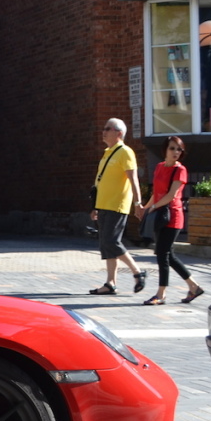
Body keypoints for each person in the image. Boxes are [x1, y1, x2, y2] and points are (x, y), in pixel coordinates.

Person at [135, 136, 203, 304]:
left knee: (162, 254)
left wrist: (152, 207)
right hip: (159, 215)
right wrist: (145, 207)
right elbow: (156, 193)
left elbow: (171, 196)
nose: (176, 152)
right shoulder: (159, 167)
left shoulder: (180, 170)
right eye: (172, 148)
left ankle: (161, 294)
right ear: (165, 150)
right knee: (169, 256)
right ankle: (194, 287)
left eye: (179, 149)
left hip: (172, 217)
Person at [90, 118, 147, 295]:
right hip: (103, 204)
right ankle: (110, 283)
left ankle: (138, 272)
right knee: (105, 244)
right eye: (103, 128)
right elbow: (100, 182)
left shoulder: (125, 152)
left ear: (119, 133)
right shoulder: (108, 152)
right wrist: (95, 207)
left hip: (117, 204)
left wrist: (138, 203)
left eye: (108, 129)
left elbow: (133, 179)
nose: (103, 132)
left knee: (111, 242)